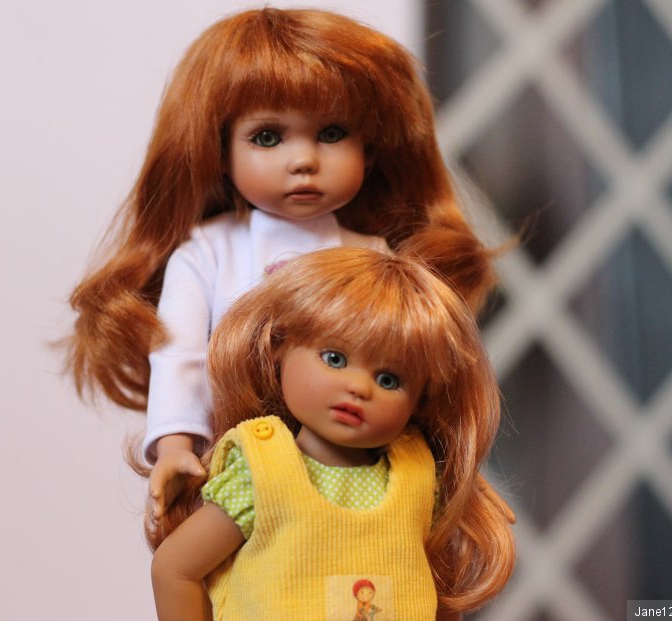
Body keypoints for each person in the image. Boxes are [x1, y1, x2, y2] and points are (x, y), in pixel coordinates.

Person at [66, 7, 500, 530]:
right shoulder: (208, 253)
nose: (304, 161)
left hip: (352, 476)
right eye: (268, 137)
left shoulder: (375, 259)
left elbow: (409, 378)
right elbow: (178, 352)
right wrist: (176, 444)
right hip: (244, 473)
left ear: (369, 149)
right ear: (219, 151)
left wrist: (456, 478)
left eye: (332, 133)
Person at [149, 247, 515, 620]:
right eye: (335, 359)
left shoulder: (418, 476)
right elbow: (175, 568)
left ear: (421, 399)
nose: (359, 388)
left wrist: (461, 483)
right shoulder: (262, 473)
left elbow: (428, 589)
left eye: (388, 380)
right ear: (278, 347)